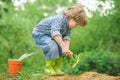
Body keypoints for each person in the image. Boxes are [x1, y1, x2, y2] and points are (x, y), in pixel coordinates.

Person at [32, 4, 88, 75]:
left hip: (50, 35)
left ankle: (56, 68)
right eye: (76, 24)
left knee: (61, 47)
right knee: (52, 45)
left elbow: (67, 38)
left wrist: (66, 49)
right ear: (70, 17)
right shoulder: (60, 20)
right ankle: (49, 68)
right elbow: (55, 33)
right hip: (40, 33)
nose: (76, 26)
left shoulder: (68, 27)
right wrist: (64, 46)